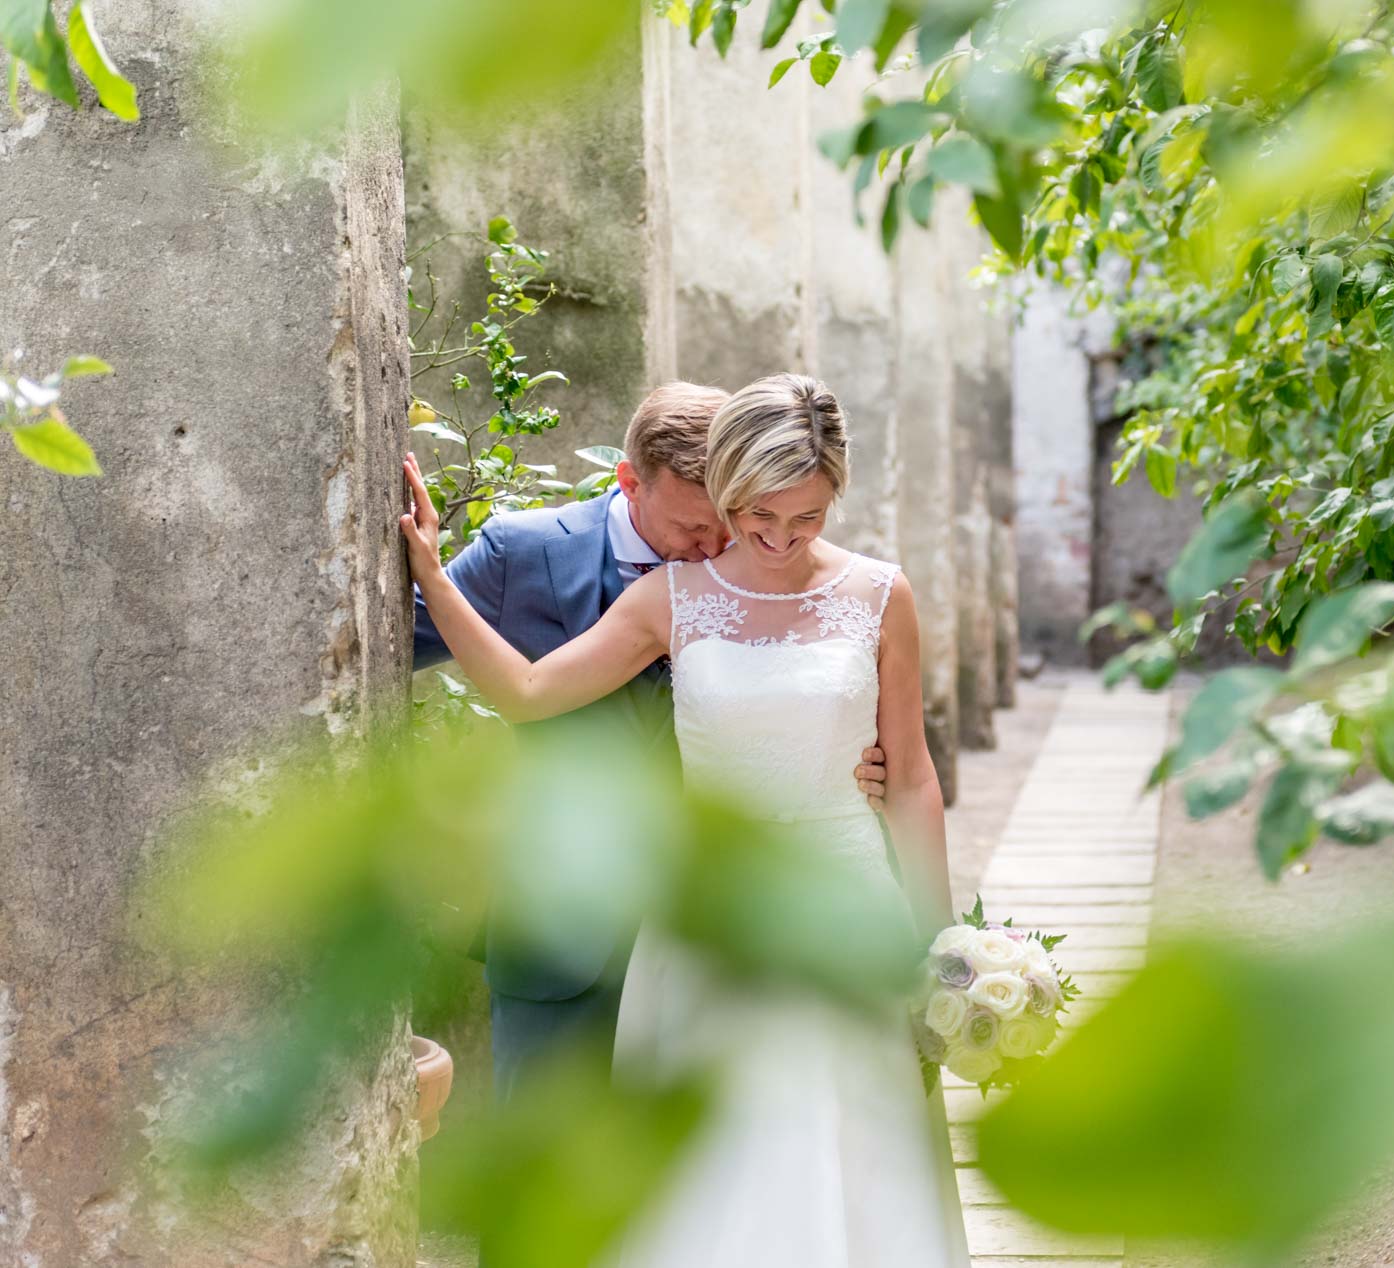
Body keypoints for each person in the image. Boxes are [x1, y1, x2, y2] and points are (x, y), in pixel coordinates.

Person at [400, 372, 969, 1266]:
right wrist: (435, 576)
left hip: (847, 904)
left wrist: (943, 949)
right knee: (717, 1166)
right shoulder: (672, 598)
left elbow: (911, 780)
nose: (781, 540)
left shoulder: (881, 595)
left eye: (808, 518)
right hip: (705, 926)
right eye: (761, 517)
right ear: (731, 493)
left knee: (853, 1144)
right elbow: (529, 690)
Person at [410, 380, 890, 1101]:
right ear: (629, 481)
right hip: (563, 924)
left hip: (714, 926)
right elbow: (379, 643)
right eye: (695, 527)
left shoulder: (767, 554)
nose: (716, 544)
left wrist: (860, 758)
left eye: (727, 521)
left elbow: (833, 678)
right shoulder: (522, 553)